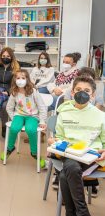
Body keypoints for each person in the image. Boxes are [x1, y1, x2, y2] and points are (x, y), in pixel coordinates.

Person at [48, 76, 105, 216]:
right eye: (78, 90)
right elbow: (59, 137)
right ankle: (82, 212)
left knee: (64, 175)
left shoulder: (100, 115)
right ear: (72, 92)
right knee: (71, 166)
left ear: (93, 95)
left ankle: (73, 212)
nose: (82, 93)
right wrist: (53, 141)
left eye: (87, 90)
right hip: (68, 152)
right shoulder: (64, 112)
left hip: (91, 156)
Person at [3, 69, 47, 167]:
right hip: (18, 115)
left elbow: (42, 107)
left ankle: (34, 153)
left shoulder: (33, 91)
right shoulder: (14, 92)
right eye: (18, 78)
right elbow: (9, 107)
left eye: (23, 78)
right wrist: (14, 117)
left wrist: (43, 120)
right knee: (14, 128)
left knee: (31, 130)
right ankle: (10, 148)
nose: (20, 80)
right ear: (14, 80)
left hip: (32, 116)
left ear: (27, 79)